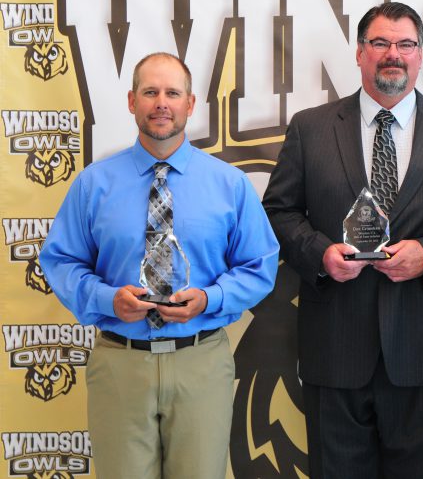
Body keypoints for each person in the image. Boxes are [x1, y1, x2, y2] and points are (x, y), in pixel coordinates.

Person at [262, 2, 423, 478]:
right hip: (335, 350)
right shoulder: (311, 128)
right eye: (381, 43)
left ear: (421, 56)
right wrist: (320, 255)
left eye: (406, 44)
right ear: (360, 53)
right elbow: (279, 213)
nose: (394, 54)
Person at [39, 52, 279, 479]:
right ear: (132, 101)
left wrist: (209, 298)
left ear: (191, 103)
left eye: (172, 92)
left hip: (200, 362)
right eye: (150, 92)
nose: (161, 103)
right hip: (120, 365)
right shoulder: (94, 184)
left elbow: (260, 265)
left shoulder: (229, 184)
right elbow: (60, 260)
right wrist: (107, 299)